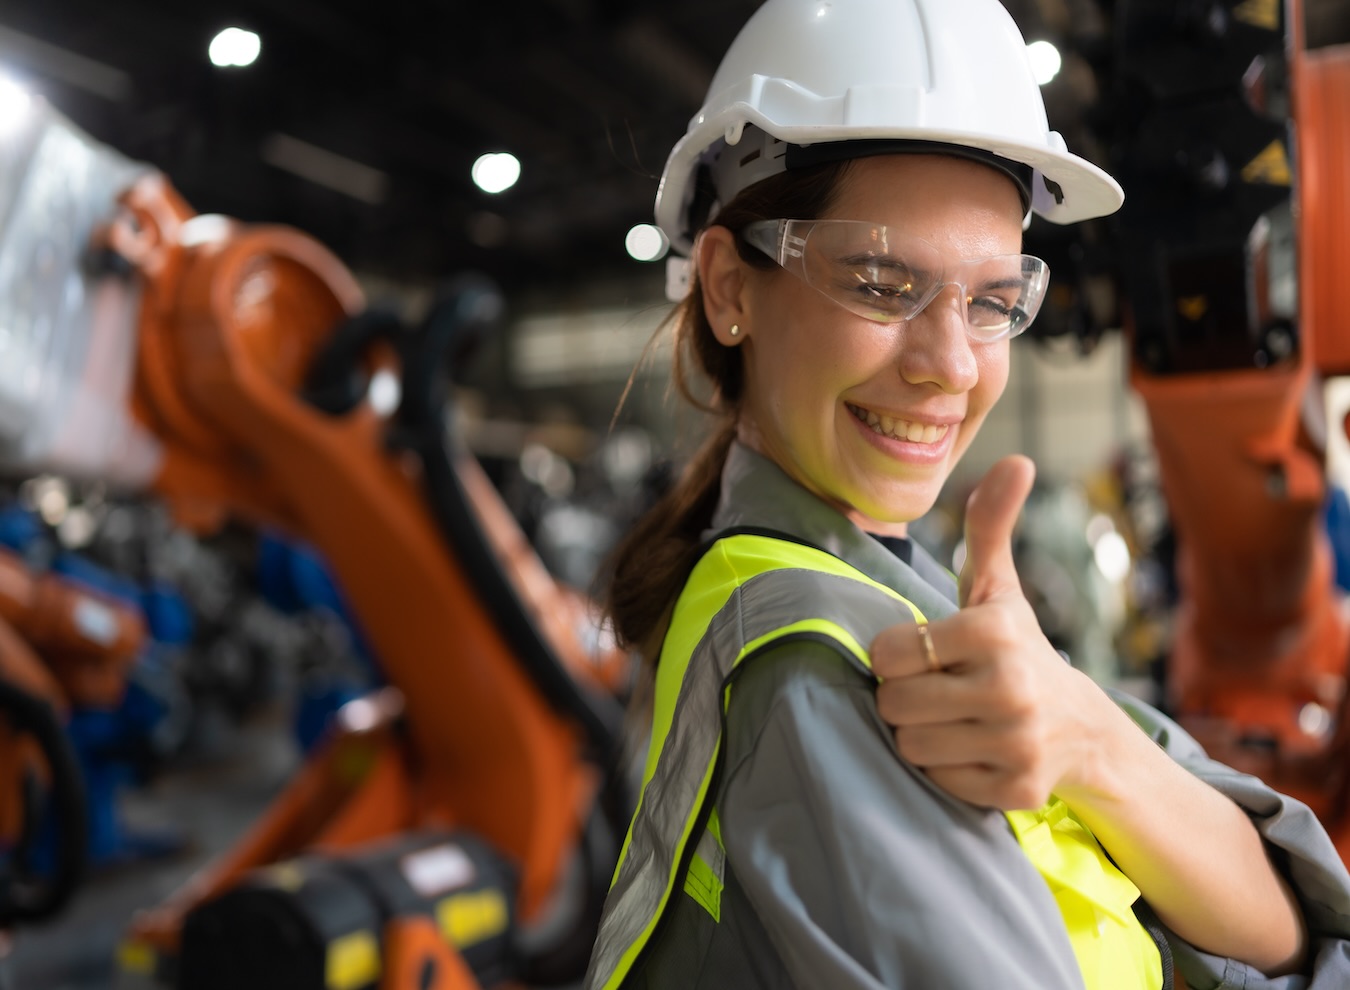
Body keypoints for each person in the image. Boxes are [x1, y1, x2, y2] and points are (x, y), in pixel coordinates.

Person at [583, 0, 1350, 987]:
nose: (951, 366)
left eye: (992, 302)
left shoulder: (926, 604)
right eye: (878, 280)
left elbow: (1293, 917)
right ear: (731, 290)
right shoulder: (818, 662)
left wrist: (1088, 742)